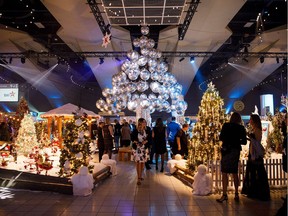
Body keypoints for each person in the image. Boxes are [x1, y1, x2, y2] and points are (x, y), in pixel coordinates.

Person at [216, 112, 247, 203]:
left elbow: (221, 137)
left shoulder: (226, 126)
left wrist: (228, 140)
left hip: (226, 151)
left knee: (224, 173)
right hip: (235, 151)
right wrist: (236, 141)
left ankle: (224, 194)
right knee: (234, 172)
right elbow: (244, 141)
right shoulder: (241, 128)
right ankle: (236, 194)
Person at [241, 114, 270, 201]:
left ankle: (257, 192)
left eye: (251, 119)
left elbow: (256, 141)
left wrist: (250, 136)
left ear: (254, 121)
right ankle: (253, 191)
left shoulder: (257, 130)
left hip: (255, 154)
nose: (250, 120)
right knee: (253, 172)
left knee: (256, 173)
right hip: (253, 153)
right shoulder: (254, 129)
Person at [131, 118, 150, 185]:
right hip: (137, 149)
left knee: (142, 163)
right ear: (140, 123)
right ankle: (138, 178)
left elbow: (150, 138)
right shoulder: (136, 130)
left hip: (144, 149)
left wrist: (145, 141)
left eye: (145, 122)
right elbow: (132, 138)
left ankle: (140, 175)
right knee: (138, 163)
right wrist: (136, 142)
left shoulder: (147, 129)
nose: (145, 123)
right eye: (144, 122)